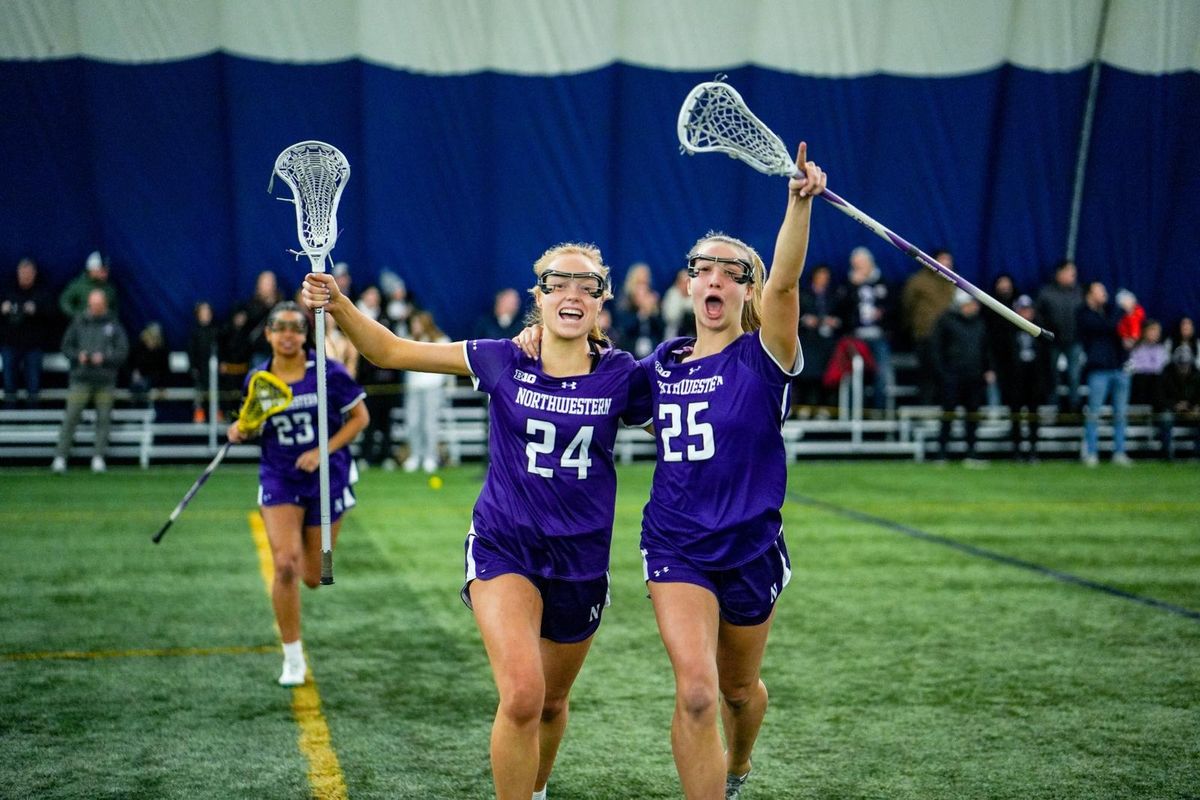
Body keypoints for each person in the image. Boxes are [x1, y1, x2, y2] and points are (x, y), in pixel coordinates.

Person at [302, 242, 652, 800]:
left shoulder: (623, 375)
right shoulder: (502, 357)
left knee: (552, 702)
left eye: (587, 287)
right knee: (522, 696)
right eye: (559, 284)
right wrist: (340, 304)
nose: (572, 295)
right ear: (539, 296)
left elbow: (694, 412)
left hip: (582, 559)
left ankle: (535, 790)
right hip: (504, 546)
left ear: (602, 301)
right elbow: (389, 350)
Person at [634, 144, 825, 799]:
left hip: (749, 546)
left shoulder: (764, 356)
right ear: (688, 285)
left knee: (738, 691)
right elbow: (592, 385)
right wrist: (535, 341)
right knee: (696, 692)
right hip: (676, 543)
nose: (715, 279)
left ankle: (739, 764)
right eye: (703, 269)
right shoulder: (661, 364)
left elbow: (787, 286)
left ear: (747, 289)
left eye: (731, 271)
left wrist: (798, 205)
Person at [227, 302, 368, 686]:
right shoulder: (259, 379)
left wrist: (323, 450)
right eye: (280, 327)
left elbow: (360, 419)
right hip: (280, 477)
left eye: (296, 328)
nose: (288, 335)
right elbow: (253, 423)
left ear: (306, 335)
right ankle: (292, 658)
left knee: (313, 576)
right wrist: (240, 430)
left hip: (326, 478)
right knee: (285, 564)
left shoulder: (327, 373)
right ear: (268, 334)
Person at [51, 288, 128, 473]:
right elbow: (66, 347)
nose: (96, 308)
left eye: (99, 305)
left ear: (105, 305)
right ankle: (61, 457)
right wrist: (79, 356)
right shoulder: (78, 322)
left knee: (104, 418)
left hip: (105, 380)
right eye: (93, 304)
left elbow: (122, 351)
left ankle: (98, 457)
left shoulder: (113, 324)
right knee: (71, 417)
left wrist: (105, 359)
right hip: (81, 379)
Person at [930, 290, 993, 465]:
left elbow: (986, 348)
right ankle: (941, 453)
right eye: (969, 304)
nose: (973, 307)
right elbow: (936, 349)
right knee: (948, 414)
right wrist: (942, 372)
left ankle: (971, 452)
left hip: (974, 376)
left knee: (972, 415)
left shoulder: (980, 323)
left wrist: (988, 369)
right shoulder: (946, 321)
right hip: (952, 376)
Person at [1077, 281, 1132, 466]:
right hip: (1098, 370)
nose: (1104, 294)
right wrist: (1122, 310)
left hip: (1118, 367)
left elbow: (1119, 330)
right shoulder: (1084, 314)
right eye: (1100, 291)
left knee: (1120, 414)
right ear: (1089, 294)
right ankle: (1091, 452)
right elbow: (1105, 327)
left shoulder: (1109, 311)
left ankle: (1120, 452)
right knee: (1094, 413)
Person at [834, 245, 894, 411]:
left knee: (882, 372)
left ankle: (879, 412)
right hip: (855, 337)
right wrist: (853, 287)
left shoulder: (884, 283)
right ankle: (852, 412)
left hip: (878, 335)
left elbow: (895, 308)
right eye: (856, 265)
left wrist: (882, 313)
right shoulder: (847, 285)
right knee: (851, 372)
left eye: (862, 264)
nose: (859, 268)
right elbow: (841, 310)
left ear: (870, 263)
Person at [994, 295, 1049, 460]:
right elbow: (1002, 358)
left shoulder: (1041, 331)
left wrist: (1045, 381)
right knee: (1016, 415)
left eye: (1028, 310)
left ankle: (1033, 450)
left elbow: (1047, 359)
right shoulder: (1007, 331)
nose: (1026, 313)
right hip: (1015, 380)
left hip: (1034, 379)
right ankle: (1017, 450)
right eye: (1022, 310)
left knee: (1033, 415)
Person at [900, 248, 957, 404]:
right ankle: (926, 407)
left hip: (949, 339)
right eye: (942, 259)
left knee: (947, 375)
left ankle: (946, 408)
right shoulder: (918, 282)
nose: (946, 263)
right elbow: (907, 306)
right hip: (926, 335)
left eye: (948, 260)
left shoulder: (954, 282)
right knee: (927, 373)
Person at [2, 257, 60, 408]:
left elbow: (54, 313)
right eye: (23, 272)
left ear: (34, 274)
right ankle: (9, 415)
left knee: (33, 385)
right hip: (10, 345)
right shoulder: (7, 291)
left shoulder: (42, 293)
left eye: (29, 273)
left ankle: (33, 416)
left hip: (33, 346)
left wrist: (36, 310)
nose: (26, 276)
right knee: (9, 384)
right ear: (18, 273)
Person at [1035, 260, 1084, 412]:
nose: (1073, 276)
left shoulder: (1079, 292)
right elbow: (1038, 316)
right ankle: (1053, 407)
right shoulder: (1046, 292)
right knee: (1052, 375)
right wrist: (1048, 333)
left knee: (1074, 375)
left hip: (1074, 340)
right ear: (1059, 273)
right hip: (1052, 342)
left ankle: (1074, 407)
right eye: (1070, 273)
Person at [794, 263, 840, 413]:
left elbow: (844, 316)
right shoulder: (802, 294)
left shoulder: (834, 295)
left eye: (826, 276)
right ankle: (803, 407)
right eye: (820, 276)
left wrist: (834, 321)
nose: (823, 279)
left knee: (826, 374)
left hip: (827, 342)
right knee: (806, 373)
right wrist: (805, 320)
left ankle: (824, 408)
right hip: (807, 340)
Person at [1160, 344, 1200, 459]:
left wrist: (1195, 406)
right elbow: (1159, 398)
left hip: (1191, 410)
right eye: (1181, 364)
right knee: (1165, 417)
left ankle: (1197, 454)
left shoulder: (1197, 375)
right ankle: (1167, 453)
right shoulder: (1166, 374)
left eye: (1186, 364)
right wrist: (1174, 405)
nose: (1183, 367)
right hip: (1172, 409)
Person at [59, 250, 118, 320]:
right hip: (83, 323)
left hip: (103, 324)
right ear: (92, 270)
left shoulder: (109, 288)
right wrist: (78, 315)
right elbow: (64, 302)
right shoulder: (79, 285)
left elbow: (115, 309)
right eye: (102, 270)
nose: (105, 274)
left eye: (107, 270)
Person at [187, 301, 219, 423]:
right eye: (203, 312)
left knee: (217, 391)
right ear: (198, 315)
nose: (206, 315)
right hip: (200, 369)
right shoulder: (194, 333)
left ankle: (217, 414)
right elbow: (191, 352)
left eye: (208, 312)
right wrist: (193, 367)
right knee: (199, 392)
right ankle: (199, 415)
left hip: (214, 371)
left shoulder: (216, 331)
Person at [127, 322, 171, 408]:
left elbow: (164, 370)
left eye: (154, 338)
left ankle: (141, 409)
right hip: (138, 379)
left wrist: (162, 386)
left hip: (154, 379)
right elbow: (129, 364)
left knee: (141, 386)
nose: (151, 340)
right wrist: (133, 373)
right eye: (150, 337)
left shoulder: (162, 350)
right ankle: (138, 409)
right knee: (138, 385)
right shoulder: (138, 347)